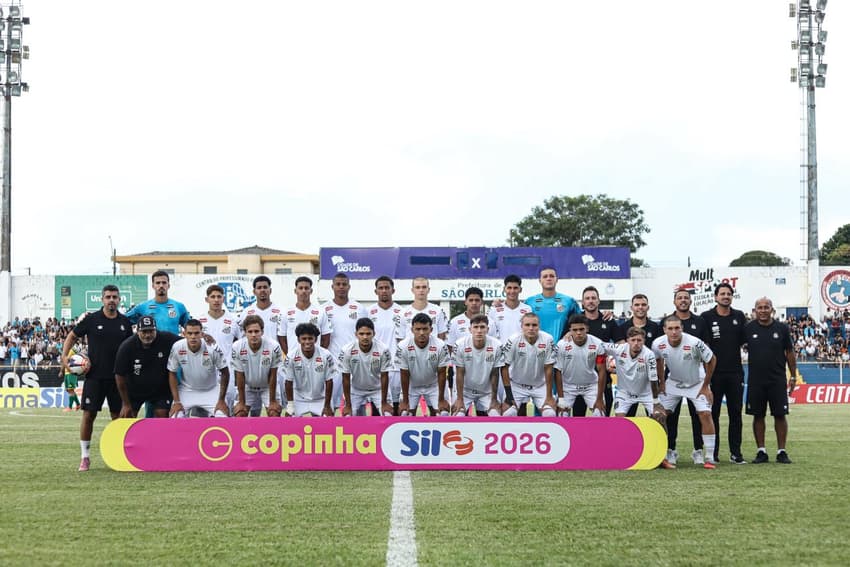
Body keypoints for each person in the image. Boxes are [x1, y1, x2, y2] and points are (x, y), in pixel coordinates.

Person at [61, 284, 133, 471]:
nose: (111, 300)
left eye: (114, 297)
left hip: (118, 379)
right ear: (102, 299)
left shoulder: (125, 323)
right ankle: (85, 457)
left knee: (118, 417)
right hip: (94, 377)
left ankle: (120, 455)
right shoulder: (92, 320)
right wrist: (64, 356)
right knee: (89, 415)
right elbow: (72, 336)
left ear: (119, 300)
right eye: (108, 297)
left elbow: (130, 348)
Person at [600, 327, 674, 469]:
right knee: (619, 422)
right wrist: (570, 336)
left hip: (646, 393)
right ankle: (620, 455)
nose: (636, 343)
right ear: (627, 341)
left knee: (660, 417)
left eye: (639, 340)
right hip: (624, 393)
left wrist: (656, 401)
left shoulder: (649, 355)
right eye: (633, 340)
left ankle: (662, 457)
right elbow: (598, 345)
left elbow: (653, 379)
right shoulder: (618, 349)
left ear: (644, 341)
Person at [652, 316, 718, 470]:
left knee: (705, 414)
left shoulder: (695, 342)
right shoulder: (657, 343)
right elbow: (658, 360)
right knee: (658, 415)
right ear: (664, 330)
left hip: (697, 382)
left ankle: (709, 457)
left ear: (682, 328)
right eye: (670, 328)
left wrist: (706, 386)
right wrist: (662, 382)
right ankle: (662, 455)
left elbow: (712, 359)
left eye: (677, 328)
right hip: (673, 382)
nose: (674, 332)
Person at [700, 283, 748, 464]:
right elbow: (703, 346)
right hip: (714, 374)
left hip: (735, 373)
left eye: (729, 294)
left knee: (736, 414)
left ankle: (736, 454)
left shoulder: (739, 316)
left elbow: (745, 341)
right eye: (722, 294)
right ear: (715, 297)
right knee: (713, 414)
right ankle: (713, 453)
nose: (726, 296)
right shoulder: (706, 317)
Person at [745, 297, 797, 464]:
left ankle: (782, 451)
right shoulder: (748, 328)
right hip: (756, 380)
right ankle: (761, 451)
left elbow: (789, 352)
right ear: (755, 310)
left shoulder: (782, 328)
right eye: (759, 307)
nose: (763, 310)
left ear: (772, 310)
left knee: (780, 415)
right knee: (758, 415)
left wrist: (793, 375)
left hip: (777, 379)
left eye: (766, 307)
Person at [665, 288, 710, 466]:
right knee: (671, 416)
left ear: (690, 301)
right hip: (673, 377)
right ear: (674, 301)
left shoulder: (700, 322)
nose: (683, 300)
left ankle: (698, 450)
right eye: (679, 298)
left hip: (695, 377)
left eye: (686, 298)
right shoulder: (667, 321)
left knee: (698, 415)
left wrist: (706, 382)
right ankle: (670, 450)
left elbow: (707, 351)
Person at [114, 316, 182, 419]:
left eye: (151, 331)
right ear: (137, 331)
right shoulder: (127, 346)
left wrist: (203, 340)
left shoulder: (167, 338)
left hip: (160, 390)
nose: (147, 335)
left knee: (162, 415)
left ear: (156, 330)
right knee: (127, 416)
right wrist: (126, 403)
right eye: (144, 332)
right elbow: (119, 376)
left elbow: (186, 342)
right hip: (134, 390)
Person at [322, 272, 369, 410]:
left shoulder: (359, 308)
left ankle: (359, 424)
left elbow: (366, 334)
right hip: (333, 363)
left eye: (344, 284)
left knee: (357, 404)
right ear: (332, 287)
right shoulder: (323, 309)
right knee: (330, 404)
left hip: (355, 361)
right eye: (338, 284)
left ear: (349, 286)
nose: (341, 287)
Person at [167, 319, 230, 417]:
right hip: (187, 390)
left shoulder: (212, 347)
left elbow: (225, 371)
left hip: (211, 390)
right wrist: (176, 401)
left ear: (201, 333)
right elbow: (172, 372)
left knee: (222, 416)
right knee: (175, 417)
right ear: (184, 334)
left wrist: (221, 400)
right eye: (190, 333)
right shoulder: (177, 347)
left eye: (196, 333)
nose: (193, 337)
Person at [238, 276, 285, 403]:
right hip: (252, 362)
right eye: (259, 288)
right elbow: (241, 339)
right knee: (253, 406)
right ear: (254, 291)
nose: (262, 290)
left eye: (265, 287)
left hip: (274, 362)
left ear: (270, 290)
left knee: (274, 405)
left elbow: (283, 338)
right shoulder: (246, 312)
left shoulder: (280, 312)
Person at [500, 313, 557, 417]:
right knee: (508, 413)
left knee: (550, 414)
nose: (531, 328)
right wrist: (509, 395)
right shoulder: (513, 339)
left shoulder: (548, 339)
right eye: (527, 325)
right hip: (516, 385)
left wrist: (549, 396)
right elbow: (504, 367)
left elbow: (549, 367)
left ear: (539, 326)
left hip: (540, 386)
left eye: (534, 325)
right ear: (521, 326)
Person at [197, 284, 241, 411]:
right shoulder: (200, 320)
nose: (216, 300)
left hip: (227, 369)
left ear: (223, 299)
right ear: (207, 299)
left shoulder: (233, 321)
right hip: (205, 368)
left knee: (227, 406)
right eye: (213, 297)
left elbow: (240, 344)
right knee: (204, 407)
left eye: (219, 297)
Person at [396, 313, 450, 416]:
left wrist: (441, 399)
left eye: (425, 329)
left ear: (431, 330)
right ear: (412, 330)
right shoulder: (403, 346)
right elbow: (404, 374)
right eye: (418, 329)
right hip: (412, 385)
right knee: (405, 414)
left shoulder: (440, 345)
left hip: (434, 385)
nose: (421, 333)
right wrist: (405, 401)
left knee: (443, 414)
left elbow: (442, 373)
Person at [553, 314, 606, 417]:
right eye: (575, 330)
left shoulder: (597, 343)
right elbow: (558, 372)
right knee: (562, 415)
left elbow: (602, 371)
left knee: (599, 414)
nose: (578, 333)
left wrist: (599, 399)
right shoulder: (562, 345)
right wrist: (561, 399)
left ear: (587, 329)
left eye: (581, 329)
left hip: (591, 385)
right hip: (568, 386)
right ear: (570, 330)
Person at [231, 315, 284, 417]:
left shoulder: (274, 346)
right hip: (248, 386)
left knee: (274, 412)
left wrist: (272, 401)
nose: (253, 335)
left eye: (256, 331)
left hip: (267, 387)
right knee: (240, 413)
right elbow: (239, 375)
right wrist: (241, 402)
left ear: (262, 332)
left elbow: (273, 374)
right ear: (245, 333)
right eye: (250, 332)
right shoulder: (237, 346)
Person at [452, 314, 504, 416]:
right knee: (458, 416)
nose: (479, 331)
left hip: (486, 392)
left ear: (487, 329)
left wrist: (494, 399)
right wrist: (459, 399)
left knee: (495, 416)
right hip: (465, 392)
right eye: (475, 327)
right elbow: (459, 373)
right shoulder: (460, 344)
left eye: (482, 327)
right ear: (470, 329)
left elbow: (495, 373)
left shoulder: (497, 345)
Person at [339, 318, 393, 416]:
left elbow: (385, 376)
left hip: (378, 389)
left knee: (387, 415)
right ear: (356, 334)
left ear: (374, 334)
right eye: (361, 334)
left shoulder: (383, 349)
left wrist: (384, 403)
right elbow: (345, 378)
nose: (365, 337)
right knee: (348, 417)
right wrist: (348, 405)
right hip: (356, 389)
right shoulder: (347, 350)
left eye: (368, 334)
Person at [367, 276, 406, 414]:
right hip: (375, 366)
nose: (384, 291)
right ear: (376, 291)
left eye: (387, 288)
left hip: (396, 366)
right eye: (381, 288)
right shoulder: (368, 312)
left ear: (393, 290)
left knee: (395, 406)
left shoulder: (402, 312)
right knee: (377, 408)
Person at [576, 286, 616, 415]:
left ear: (599, 301)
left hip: (603, 377)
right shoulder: (576, 321)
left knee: (604, 417)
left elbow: (621, 344)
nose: (590, 301)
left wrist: (614, 361)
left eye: (593, 298)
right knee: (577, 420)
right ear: (583, 302)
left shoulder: (608, 320)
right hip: (580, 379)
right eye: (587, 298)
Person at [283, 323, 337, 417]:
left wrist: (327, 405)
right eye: (304, 339)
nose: (307, 342)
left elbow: (329, 381)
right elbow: (288, 382)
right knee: (289, 418)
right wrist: (290, 405)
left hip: (320, 398)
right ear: (298, 340)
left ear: (315, 339)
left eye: (310, 338)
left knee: (328, 418)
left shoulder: (326, 355)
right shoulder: (291, 356)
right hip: (299, 399)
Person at [124, 270, 190, 334]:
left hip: (174, 342)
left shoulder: (179, 307)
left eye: (164, 283)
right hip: (151, 342)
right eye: (158, 283)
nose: (161, 286)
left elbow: (191, 328)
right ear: (153, 286)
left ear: (168, 285)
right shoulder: (142, 307)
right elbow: (123, 320)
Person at [525, 267, 580, 341]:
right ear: (540, 281)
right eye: (545, 276)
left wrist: (571, 332)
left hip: (561, 346)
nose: (548, 279)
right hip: (537, 346)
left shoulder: (568, 301)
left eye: (551, 276)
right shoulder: (530, 302)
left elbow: (580, 321)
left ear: (557, 279)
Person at [278, 276, 331, 354]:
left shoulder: (321, 312)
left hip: (315, 359)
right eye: (300, 288)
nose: (303, 291)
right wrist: (290, 355)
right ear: (295, 291)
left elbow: (326, 338)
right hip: (294, 359)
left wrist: (318, 355)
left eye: (306, 288)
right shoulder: (286, 312)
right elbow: (282, 338)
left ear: (311, 291)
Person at [487, 274, 532, 341]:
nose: (512, 291)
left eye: (515, 288)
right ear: (504, 289)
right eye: (509, 288)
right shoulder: (494, 310)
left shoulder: (527, 309)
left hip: (521, 347)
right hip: (500, 347)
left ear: (520, 289)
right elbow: (488, 333)